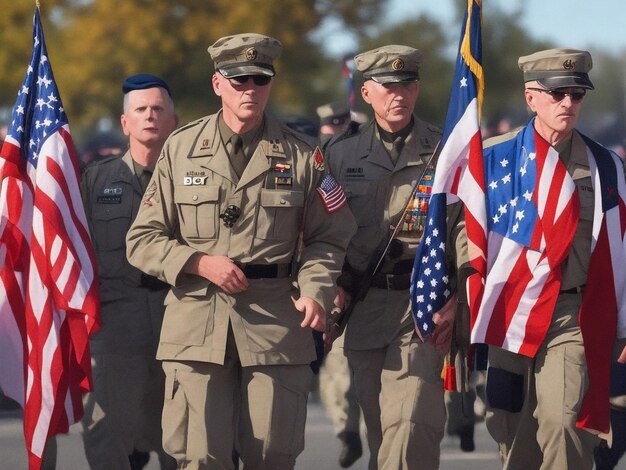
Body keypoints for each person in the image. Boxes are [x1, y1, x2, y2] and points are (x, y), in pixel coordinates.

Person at [124, 33, 356, 469]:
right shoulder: (180, 149)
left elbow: (332, 233)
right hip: (196, 323)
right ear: (218, 84)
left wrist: (315, 289)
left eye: (259, 79)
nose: (249, 88)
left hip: (273, 323)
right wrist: (198, 262)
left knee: (271, 455)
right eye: (239, 80)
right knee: (199, 456)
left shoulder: (304, 155)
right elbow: (143, 239)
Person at [480, 48, 626, 470]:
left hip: (571, 316)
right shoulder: (493, 159)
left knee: (565, 427)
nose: (568, 103)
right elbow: (464, 234)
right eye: (558, 93)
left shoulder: (605, 167)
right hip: (508, 311)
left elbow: (622, 246)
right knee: (514, 438)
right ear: (531, 97)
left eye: (577, 95)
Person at [325, 44, 465, 470]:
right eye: (386, 86)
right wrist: (327, 283)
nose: (397, 93)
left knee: (412, 422)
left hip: (422, 305)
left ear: (418, 89)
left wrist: (459, 295)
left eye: (406, 84)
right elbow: (319, 232)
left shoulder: (446, 150)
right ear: (366, 93)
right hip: (362, 305)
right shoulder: (339, 155)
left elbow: (464, 228)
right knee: (383, 428)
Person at [80, 73, 179, 470]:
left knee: (186, 437)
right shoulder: (96, 180)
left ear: (174, 120)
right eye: (141, 110)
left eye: (158, 109)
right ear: (126, 123)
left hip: (182, 318)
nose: (150, 116)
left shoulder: (198, 181)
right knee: (106, 431)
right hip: (118, 325)